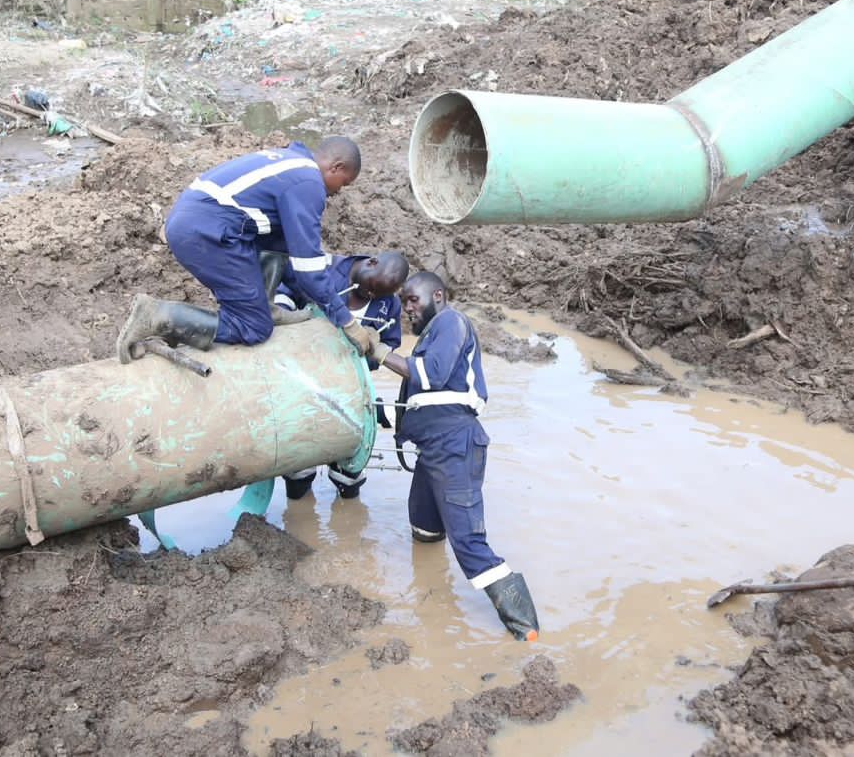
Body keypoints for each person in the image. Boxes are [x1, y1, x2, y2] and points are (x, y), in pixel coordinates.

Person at [376, 271, 540, 642]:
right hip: (433, 450)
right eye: (403, 305)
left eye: (413, 300)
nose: (408, 310)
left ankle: (527, 631)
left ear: (438, 294)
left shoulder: (451, 322)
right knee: (424, 527)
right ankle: (432, 603)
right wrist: (374, 415)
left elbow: (430, 378)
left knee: (469, 544)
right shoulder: (430, 340)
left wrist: (379, 350)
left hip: (454, 449)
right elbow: (419, 405)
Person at [115, 137, 379, 360]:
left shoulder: (291, 163)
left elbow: (287, 251)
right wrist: (346, 322)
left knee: (278, 239)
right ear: (336, 167)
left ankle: (265, 307)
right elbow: (309, 270)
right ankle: (161, 317)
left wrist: (316, 301)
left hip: (198, 221)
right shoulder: (309, 184)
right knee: (254, 327)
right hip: (207, 232)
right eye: (343, 184)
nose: (338, 193)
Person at [277, 251, 409, 500]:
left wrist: (372, 351)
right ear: (371, 262)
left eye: (378, 295)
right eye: (371, 288)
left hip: (351, 394)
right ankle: (298, 514)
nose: (371, 295)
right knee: (298, 470)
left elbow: (390, 344)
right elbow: (283, 294)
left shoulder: (389, 303)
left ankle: (346, 519)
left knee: (349, 473)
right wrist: (285, 321)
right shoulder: (322, 269)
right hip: (303, 387)